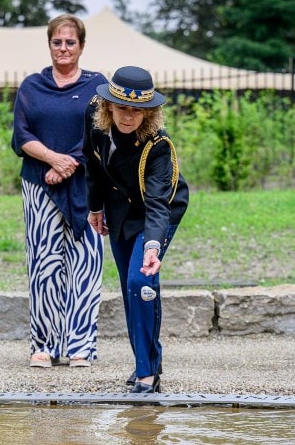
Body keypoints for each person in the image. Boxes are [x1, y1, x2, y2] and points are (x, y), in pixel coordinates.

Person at [83, 66, 189, 393]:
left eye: (138, 110)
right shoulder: (95, 123)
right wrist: (95, 208)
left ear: (149, 112)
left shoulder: (158, 145)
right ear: (108, 106)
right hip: (117, 211)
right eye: (123, 108)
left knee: (140, 278)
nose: (129, 116)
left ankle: (146, 375)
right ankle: (149, 360)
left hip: (156, 215)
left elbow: (158, 202)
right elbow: (94, 165)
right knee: (131, 290)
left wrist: (152, 248)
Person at [11, 14, 108, 368]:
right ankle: (44, 346)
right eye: (57, 42)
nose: (63, 48)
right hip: (39, 184)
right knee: (44, 264)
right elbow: (21, 136)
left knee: (85, 264)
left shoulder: (98, 86)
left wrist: (70, 166)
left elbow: (103, 134)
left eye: (70, 42)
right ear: (49, 44)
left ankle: (81, 346)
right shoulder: (31, 86)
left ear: (81, 46)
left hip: (88, 186)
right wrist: (53, 160)